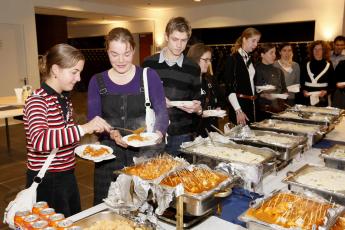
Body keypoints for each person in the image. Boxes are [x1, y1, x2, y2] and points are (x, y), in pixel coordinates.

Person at [23, 43, 112, 217]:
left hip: (66, 175)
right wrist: (84, 128)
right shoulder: (37, 101)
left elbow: (64, 137)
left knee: (71, 221)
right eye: (74, 72)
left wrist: (92, 139)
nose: (78, 78)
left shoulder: (64, 100)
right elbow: (39, 140)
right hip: (47, 180)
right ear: (55, 70)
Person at [88, 27, 169, 205]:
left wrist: (158, 133)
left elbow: (162, 111)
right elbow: (94, 120)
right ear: (107, 52)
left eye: (126, 53)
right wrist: (111, 133)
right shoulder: (97, 81)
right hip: (109, 156)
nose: (121, 60)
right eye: (114, 54)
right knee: (108, 206)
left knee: (144, 206)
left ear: (133, 50)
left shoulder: (148, 76)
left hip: (144, 153)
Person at [143, 17, 201, 156]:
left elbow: (199, 101)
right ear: (166, 37)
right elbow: (141, 96)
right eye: (175, 39)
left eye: (183, 40)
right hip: (153, 131)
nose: (179, 45)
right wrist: (158, 102)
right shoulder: (149, 64)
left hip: (181, 133)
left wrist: (197, 108)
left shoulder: (193, 68)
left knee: (178, 175)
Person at [223, 27, 261, 125]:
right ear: (244, 39)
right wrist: (238, 111)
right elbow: (229, 88)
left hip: (252, 105)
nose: (256, 45)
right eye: (253, 41)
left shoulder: (250, 59)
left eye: (257, 41)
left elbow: (249, 83)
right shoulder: (232, 59)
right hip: (240, 106)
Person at [187, 43, 225, 137]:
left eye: (210, 60)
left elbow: (221, 99)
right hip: (194, 132)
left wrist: (218, 108)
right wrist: (200, 112)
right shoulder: (186, 82)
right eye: (206, 60)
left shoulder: (210, 79)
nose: (209, 63)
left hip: (212, 130)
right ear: (194, 59)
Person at [255, 43, 288, 120]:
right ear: (262, 55)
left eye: (275, 52)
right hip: (263, 110)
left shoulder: (279, 71)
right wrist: (262, 95)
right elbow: (252, 92)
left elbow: (284, 88)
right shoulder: (255, 70)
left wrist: (284, 93)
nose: (274, 55)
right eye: (271, 53)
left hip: (278, 109)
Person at [301, 40, 334, 107]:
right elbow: (301, 80)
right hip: (307, 99)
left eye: (320, 49)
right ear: (312, 50)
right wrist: (303, 90)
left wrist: (326, 91)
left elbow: (332, 83)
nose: (317, 51)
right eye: (315, 49)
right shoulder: (306, 63)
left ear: (324, 51)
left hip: (322, 99)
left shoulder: (329, 64)